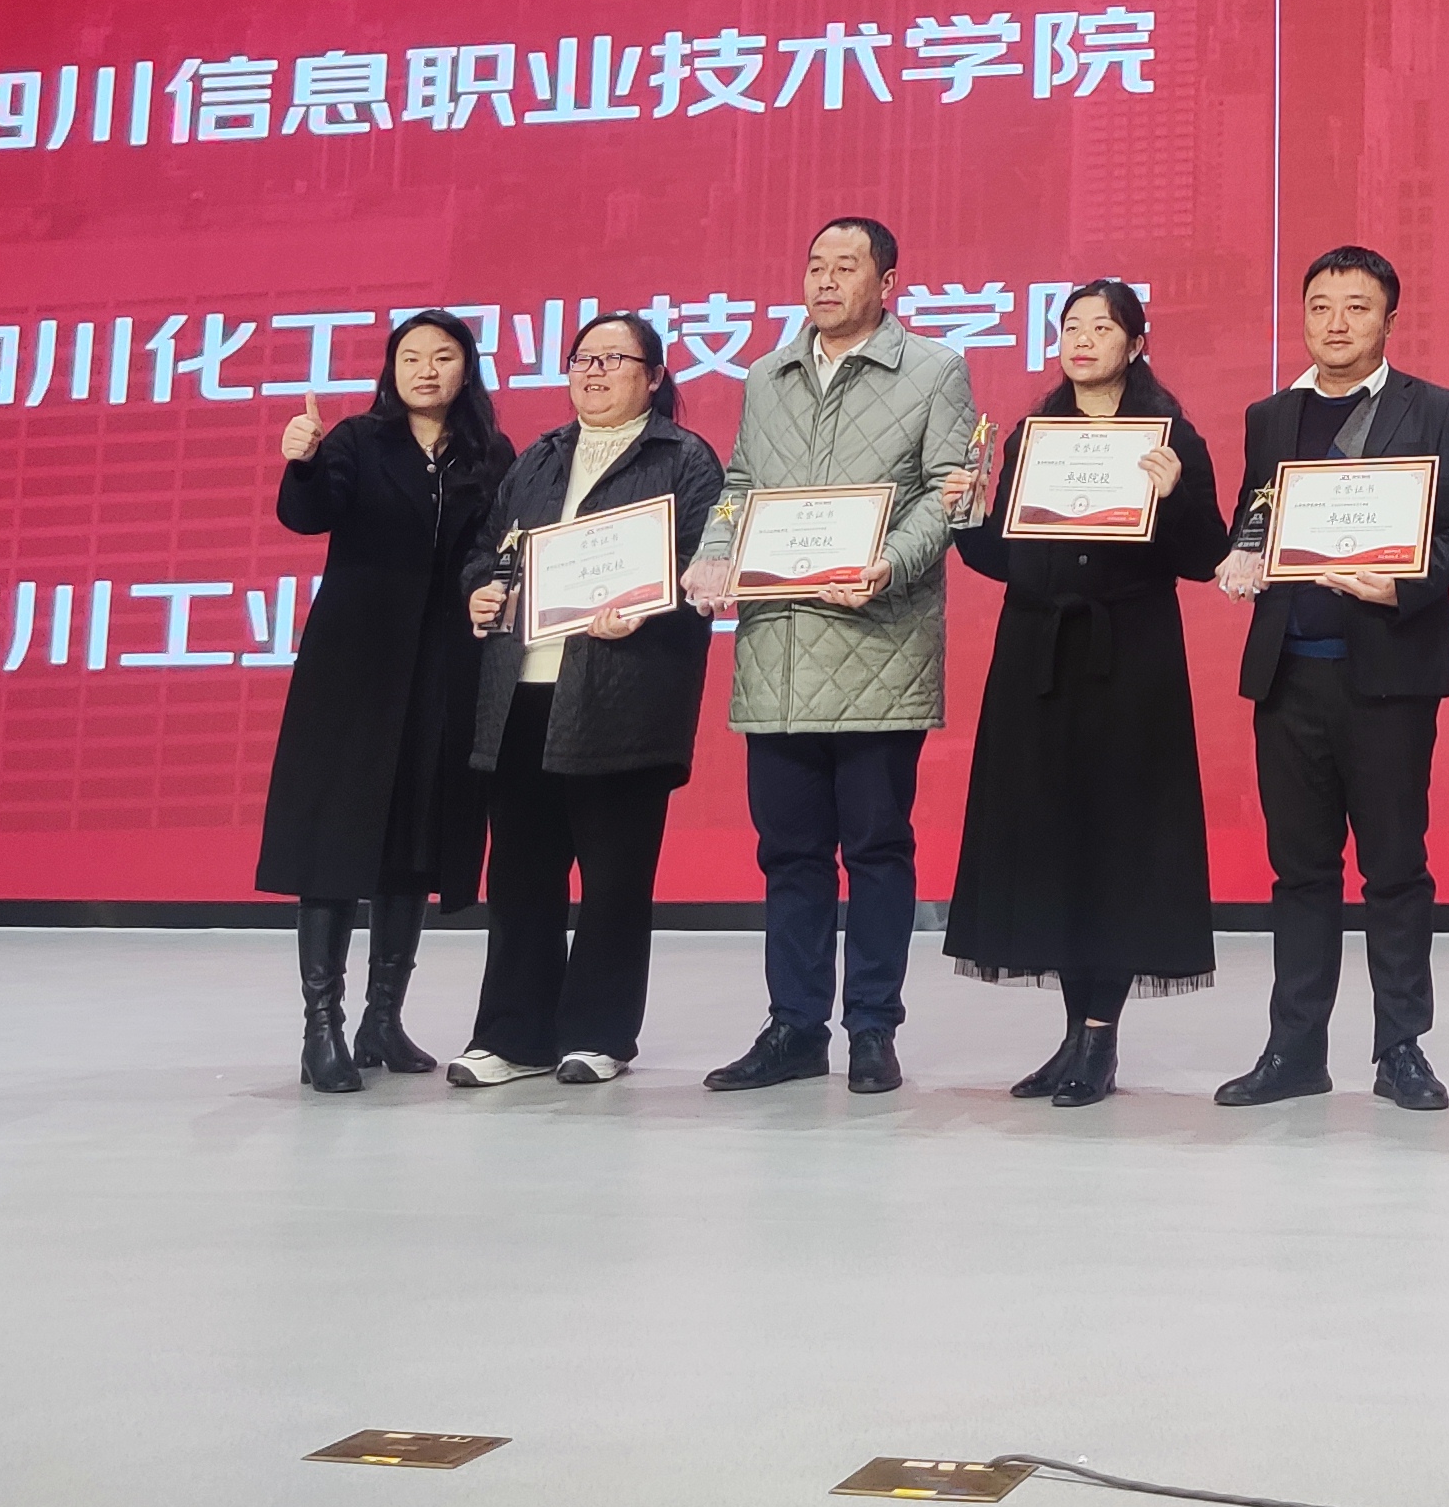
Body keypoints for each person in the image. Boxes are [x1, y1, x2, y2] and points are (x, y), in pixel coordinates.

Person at [682, 218, 984, 1101]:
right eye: (815, 264)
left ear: (887, 283)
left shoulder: (935, 369)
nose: (823, 280)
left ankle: (873, 1029)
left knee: (878, 849)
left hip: (878, 645)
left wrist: (889, 561)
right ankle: (793, 1027)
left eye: (845, 266)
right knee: (789, 854)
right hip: (776, 650)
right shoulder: (765, 375)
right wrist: (714, 553)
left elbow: (947, 493)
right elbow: (740, 487)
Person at [1211, 246, 1449, 1113]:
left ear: (1390, 320)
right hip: (1289, 675)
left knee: (1395, 870)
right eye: (1320, 306)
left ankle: (1401, 1048)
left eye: (1357, 307)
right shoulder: (1271, 416)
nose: (1336, 323)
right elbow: (1255, 515)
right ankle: (1295, 1049)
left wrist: (1402, 584)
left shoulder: (1435, 409)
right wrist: (1242, 554)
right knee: (1299, 872)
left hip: (1389, 678)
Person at [942, 282, 1235, 1107]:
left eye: (1101, 327)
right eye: (1070, 325)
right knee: (1056, 842)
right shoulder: (1035, 434)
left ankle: (1100, 1039)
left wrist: (1173, 496)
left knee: (1118, 845)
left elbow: (1205, 557)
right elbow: (1007, 556)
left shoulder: (1169, 436)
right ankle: (1074, 1036)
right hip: (1038, 657)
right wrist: (967, 517)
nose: (1082, 339)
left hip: (1129, 661)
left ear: (1136, 344)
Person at [447, 312, 724, 1089]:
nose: (593, 373)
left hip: (622, 693)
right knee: (521, 877)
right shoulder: (538, 458)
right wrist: (480, 590)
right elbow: (489, 551)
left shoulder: (685, 459)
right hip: (523, 689)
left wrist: (648, 603)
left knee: (614, 879)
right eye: (582, 359)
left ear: (655, 376)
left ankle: (599, 1033)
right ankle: (513, 1036)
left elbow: (706, 565)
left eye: (613, 359)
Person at [257, 311, 508, 1091]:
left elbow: (495, 549)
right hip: (353, 669)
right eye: (411, 357)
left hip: (442, 666)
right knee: (334, 845)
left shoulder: (490, 454)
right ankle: (321, 1028)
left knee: (413, 842)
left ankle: (382, 1019)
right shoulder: (357, 442)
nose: (426, 370)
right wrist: (301, 462)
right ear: (391, 370)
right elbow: (309, 514)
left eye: (443, 356)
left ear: (467, 368)